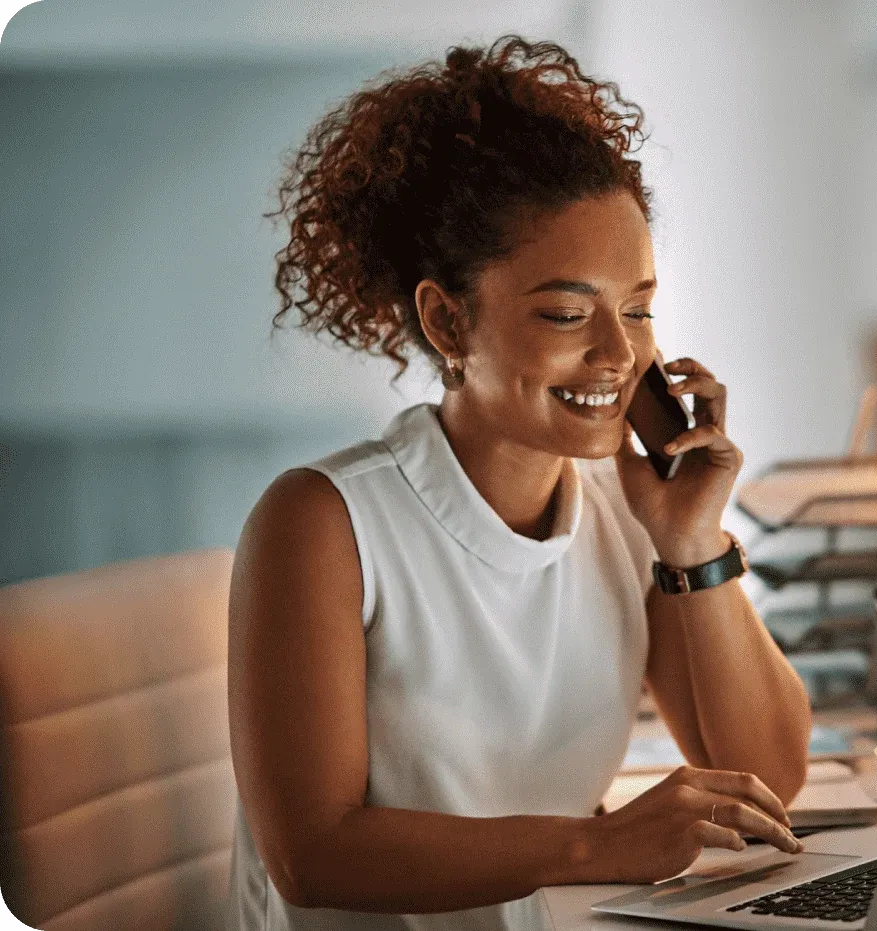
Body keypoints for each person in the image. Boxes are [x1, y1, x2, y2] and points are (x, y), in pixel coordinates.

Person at [227, 35, 812, 931]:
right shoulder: (323, 521)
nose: (620, 355)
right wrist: (598, 846)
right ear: (448, 318)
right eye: (568, 313)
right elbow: (311, 853)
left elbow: (768, 776)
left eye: (639, 309)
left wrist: (695, 541)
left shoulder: (625, 511)